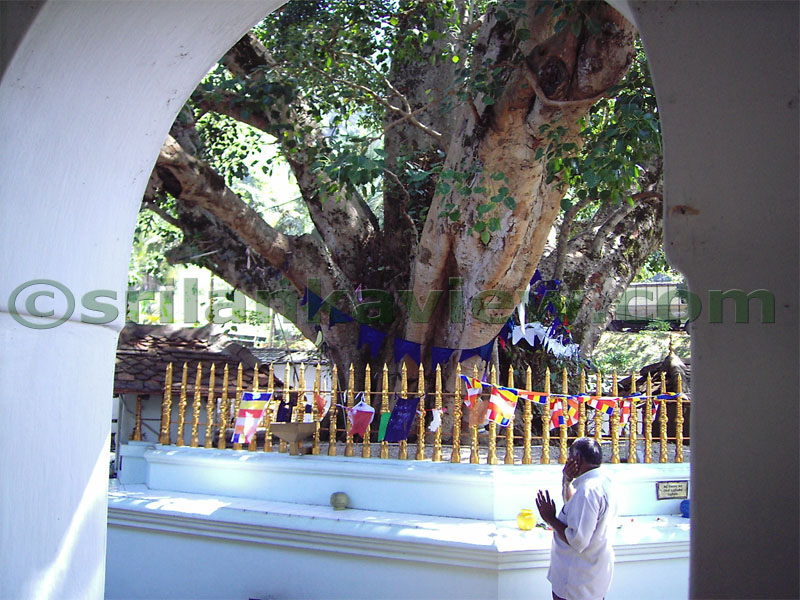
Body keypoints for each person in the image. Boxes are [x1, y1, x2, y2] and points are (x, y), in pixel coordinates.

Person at [535, 437, 617, 600]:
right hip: (593, 576)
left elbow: (578, 541)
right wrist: (567, 481)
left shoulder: (588, 491)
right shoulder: (604, 480)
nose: (567, 460)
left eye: (570, 456)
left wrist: (550, 519)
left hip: (576, 581)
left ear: (577, 459)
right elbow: (575, 510)